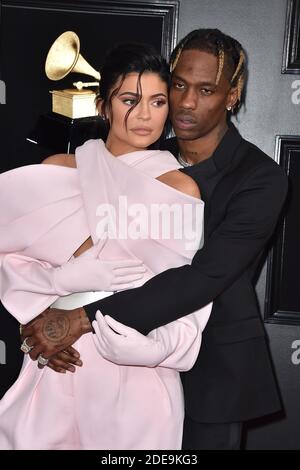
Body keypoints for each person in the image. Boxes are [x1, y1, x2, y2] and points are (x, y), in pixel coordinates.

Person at [16, 29, 289, 450]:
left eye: (206, 89)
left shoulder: (261, 178)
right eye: (177, 85)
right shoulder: (135, 151)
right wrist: (44, 315)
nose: (187, 101)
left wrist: (78, 319)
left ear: (232, 95)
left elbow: (203, 277)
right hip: (106, 364)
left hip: (212, 369)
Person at [0, 43, 212, 450]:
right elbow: (10, 258)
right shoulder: (56, 170)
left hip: (132, 368)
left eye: (158, 101)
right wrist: (50, 295)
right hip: (56, 360)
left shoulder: (179, 188)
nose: (145, 115)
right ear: (103, 106)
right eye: (130, 100)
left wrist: (154, 348)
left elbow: (188, 291)